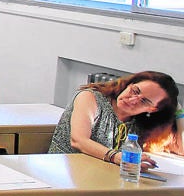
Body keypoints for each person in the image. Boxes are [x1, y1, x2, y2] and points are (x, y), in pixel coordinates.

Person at [49, 71, 180, 166]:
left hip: (105, 177)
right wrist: (116, 157)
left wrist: (179, 110)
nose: (133, 100)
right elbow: (78, 140)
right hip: (64, 170)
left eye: (144, 101)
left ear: (153, 109)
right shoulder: (90, 97)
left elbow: (180, 148)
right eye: (135, 91)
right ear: (129, 84)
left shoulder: (142, 123)